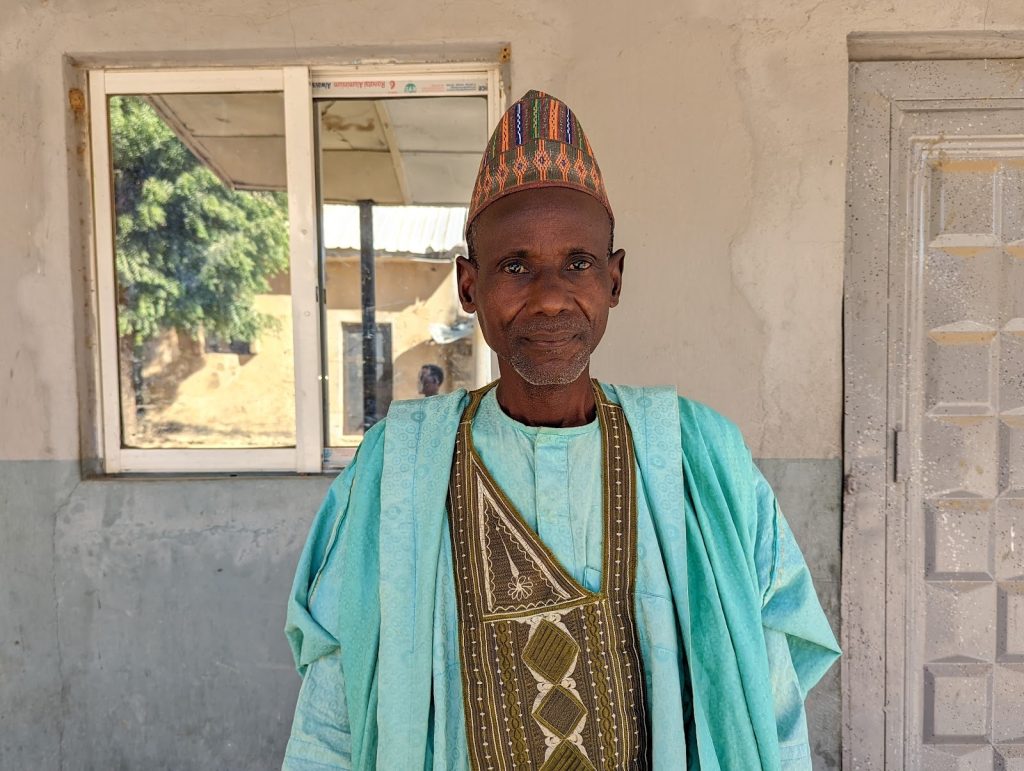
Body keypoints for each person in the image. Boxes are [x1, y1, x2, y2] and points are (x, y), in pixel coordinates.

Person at [283, 90, 840, 770]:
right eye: (515, 266)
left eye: (577, 263)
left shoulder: (701, 460)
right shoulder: (394, 471)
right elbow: (332, 711)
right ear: (468, 284)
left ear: (615, 278)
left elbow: (769, 699)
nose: (549, 296)